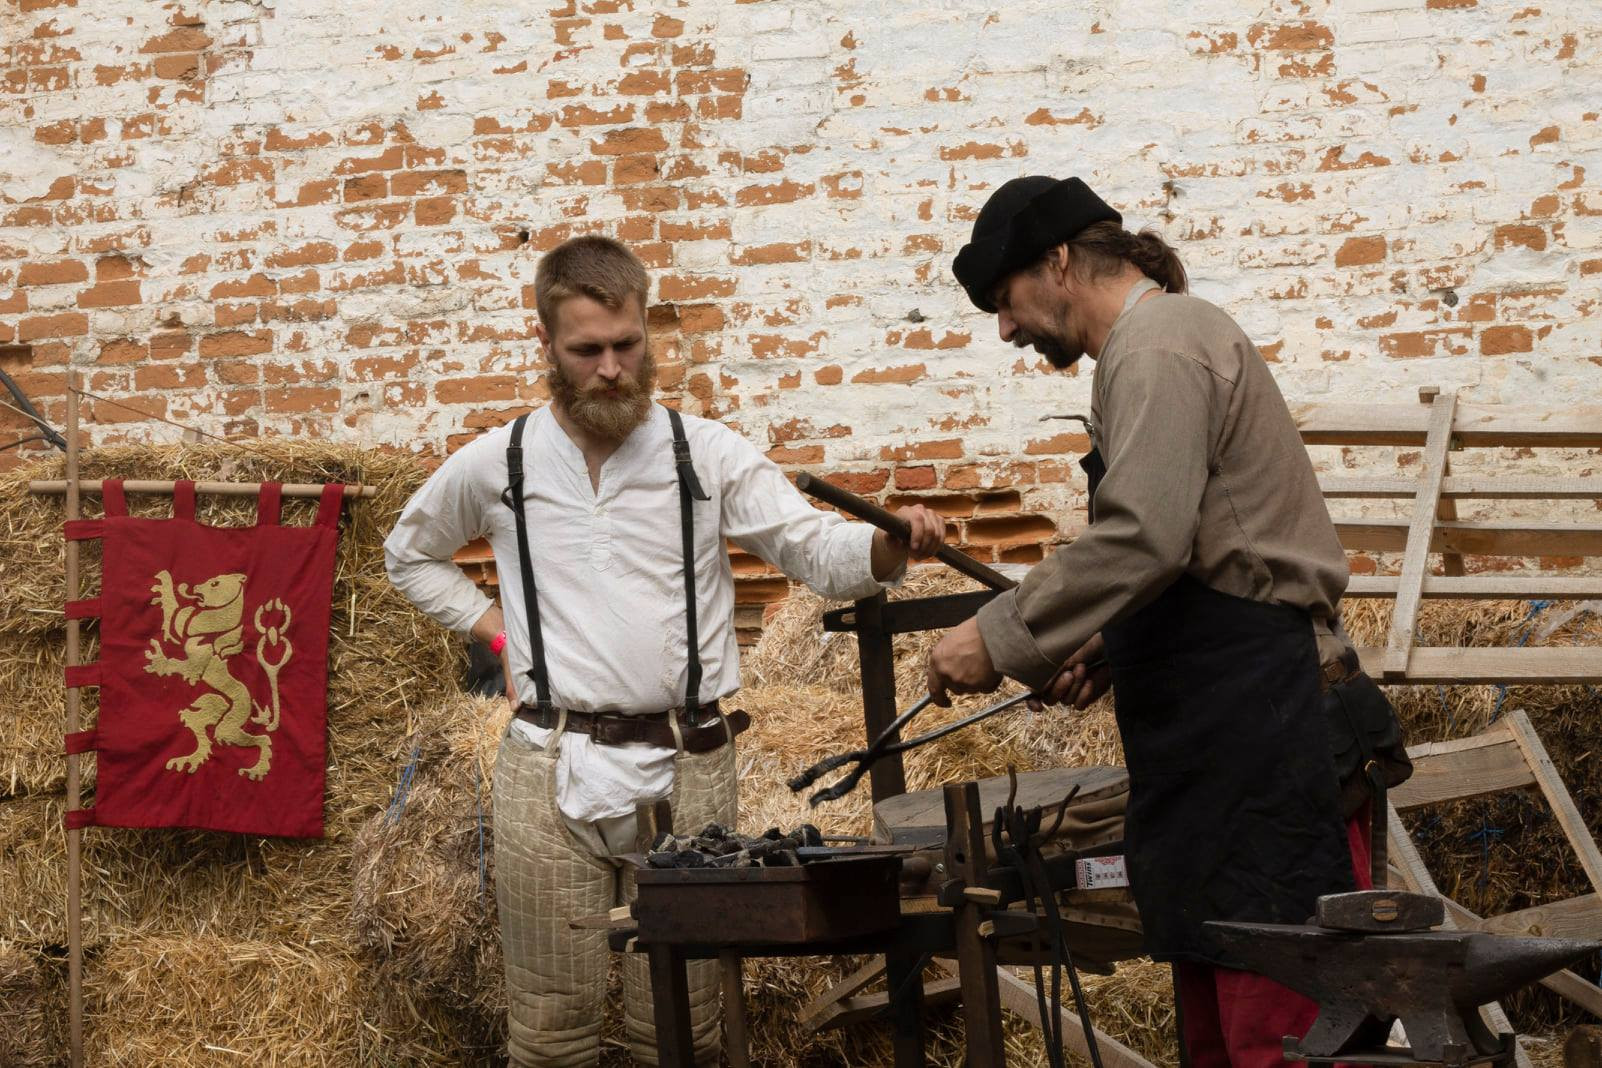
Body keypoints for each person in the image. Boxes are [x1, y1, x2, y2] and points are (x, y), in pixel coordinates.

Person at [385, 235, 944, 1068]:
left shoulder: (705, 453)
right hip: (547, 766)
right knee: (549, 1035)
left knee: (684, 1031)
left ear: (646, 330)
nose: (612, 368)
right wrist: (493, 629)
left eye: (627, 344)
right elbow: (408, 553)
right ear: (545, 345)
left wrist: (886, 553)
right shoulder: (500, 460)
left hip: (690, 763)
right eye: (587, 350)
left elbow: (808, 547)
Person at [926, 176, 1410, 1067]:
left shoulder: (1156, 346)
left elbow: (1146, 534)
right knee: (1220, 1038)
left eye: (1006, 300)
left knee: (1287, 1038)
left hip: (1265, 743)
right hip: (1221, 743)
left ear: (1060, 262)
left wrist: (999, 635)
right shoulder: (1156, 345)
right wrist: (1106, 644)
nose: (1005, 327)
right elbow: (1213, 550)